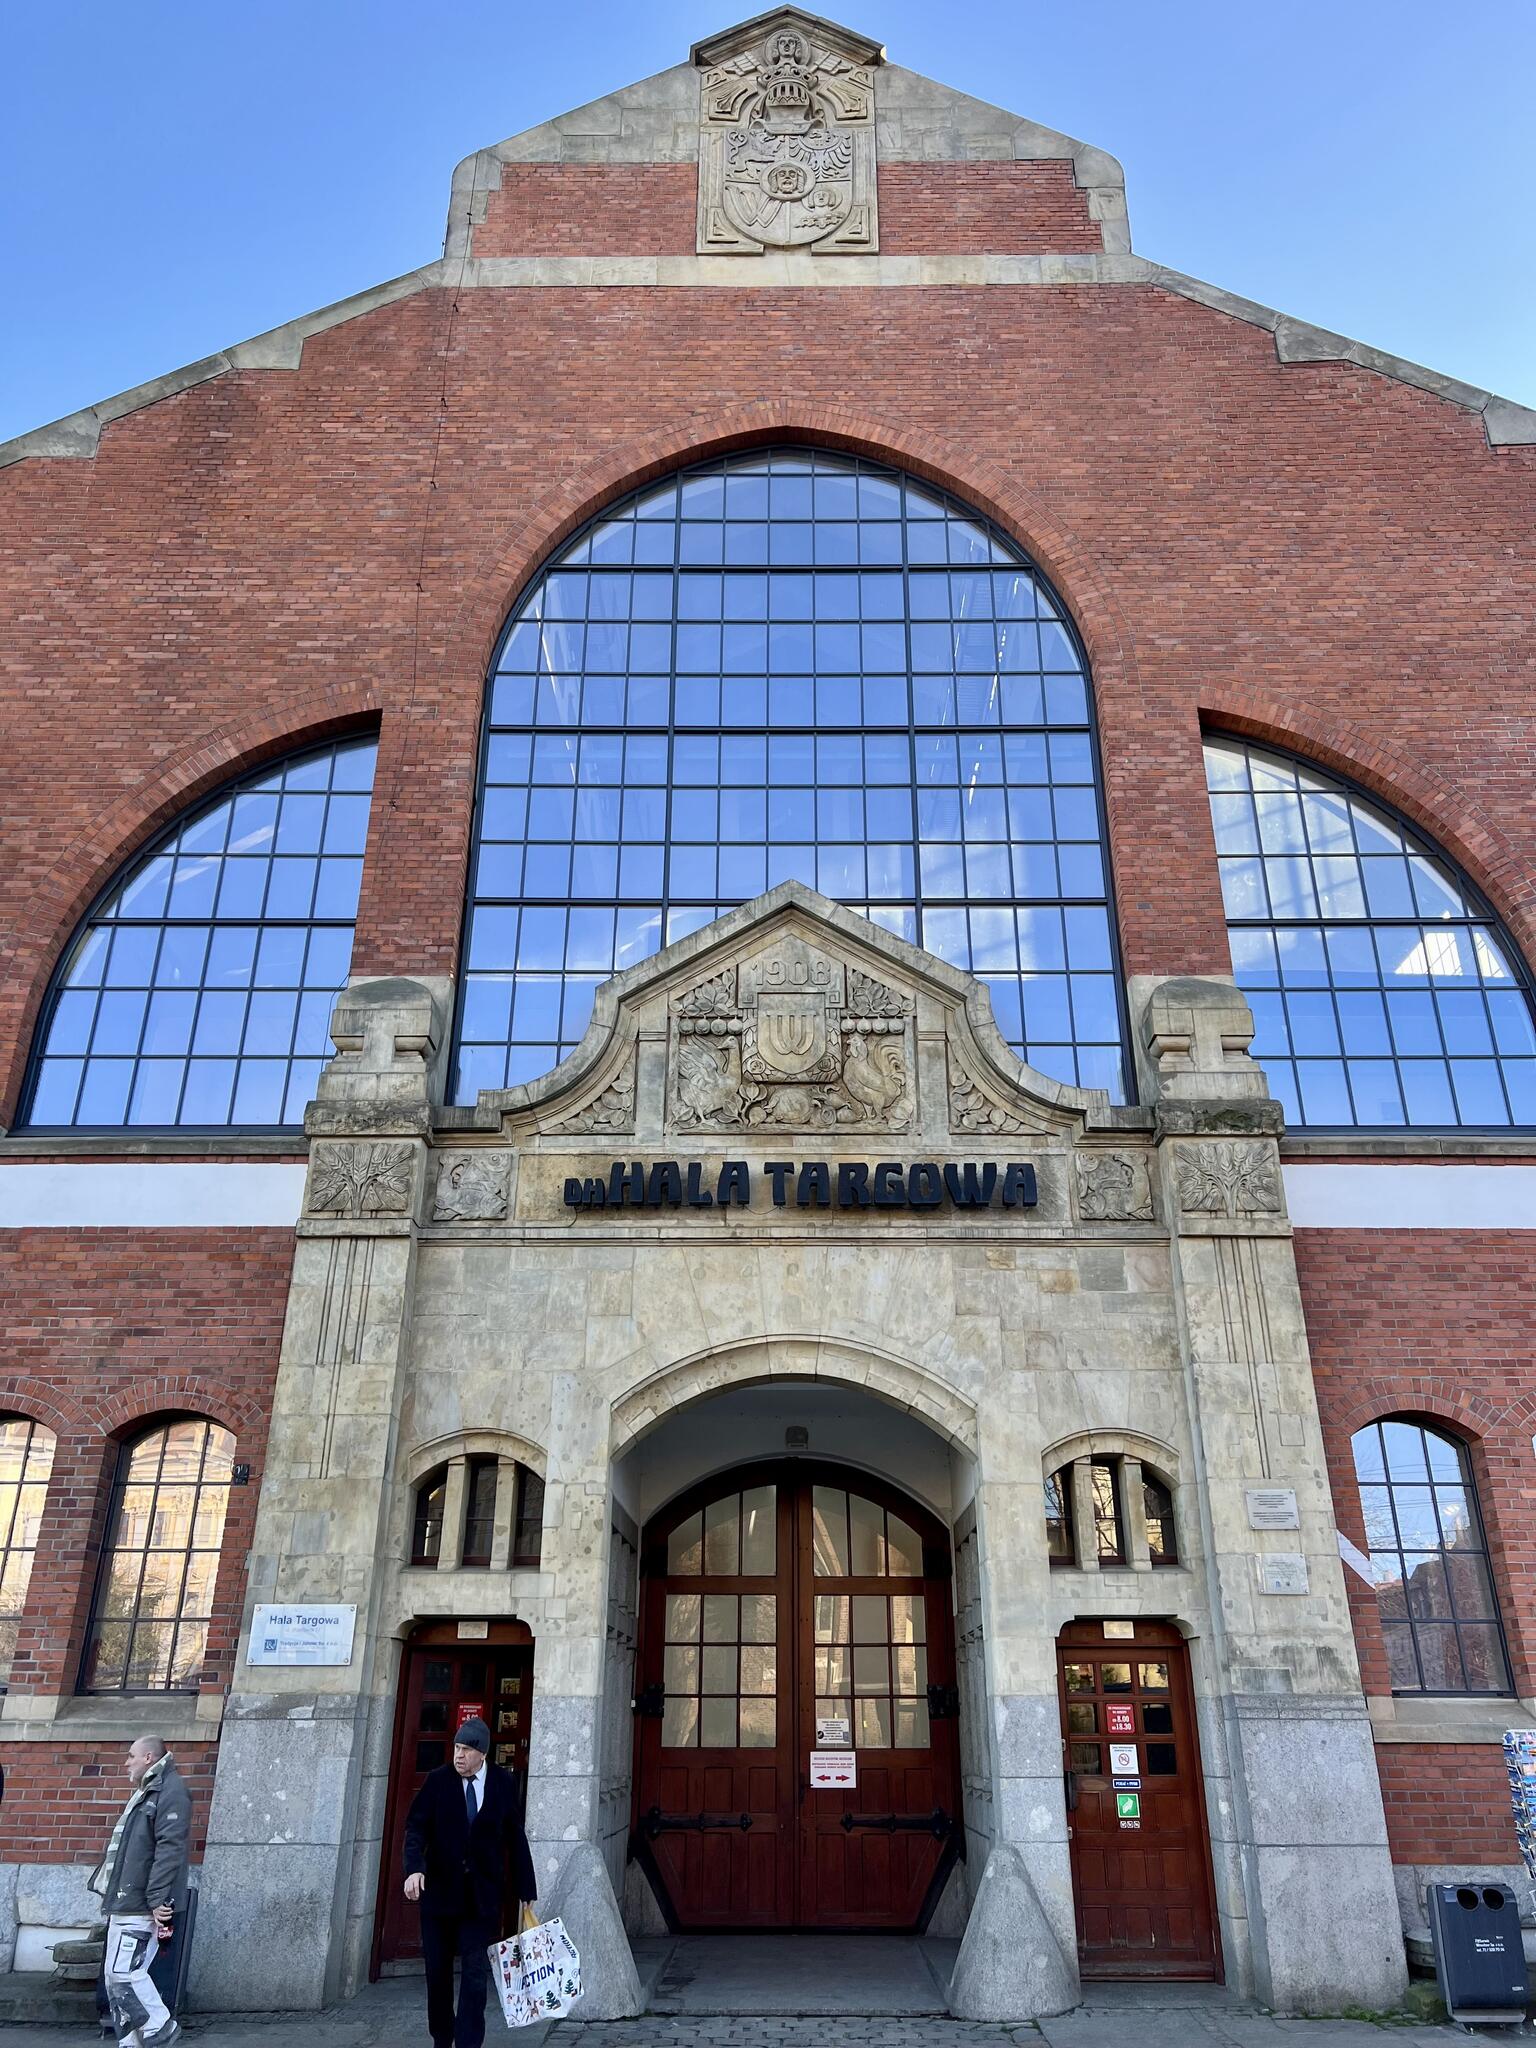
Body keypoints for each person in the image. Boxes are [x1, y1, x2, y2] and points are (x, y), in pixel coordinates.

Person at [403, 1716, 536, 2048]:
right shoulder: (438, 1780)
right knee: (438, 1975)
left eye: (466, 1750)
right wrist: (414, 1868)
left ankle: (468, 2043)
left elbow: (515, 1836)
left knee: (475, 1975)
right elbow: (416, 1828)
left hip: (480, 1898)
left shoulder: (502, 1783)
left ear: (482, 1754)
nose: (459, 1756)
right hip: (439, 1896)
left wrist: (526, 1887)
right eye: (456, 1748)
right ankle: (442, 2038)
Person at [89, 1736, 190, 2048]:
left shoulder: (168, 1791)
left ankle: (160, 2026)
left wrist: (158, 1899)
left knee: (125, 1974)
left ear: (148, 1757)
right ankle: (130, 2041)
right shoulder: (149, 1790)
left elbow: (169, 1850)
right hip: (127, 1900)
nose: (126, 1762)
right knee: (114, 1977)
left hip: (141, 1903)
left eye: (131, 1756)